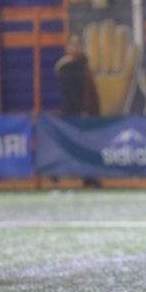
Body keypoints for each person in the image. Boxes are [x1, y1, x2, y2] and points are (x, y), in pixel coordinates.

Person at [55, 34, 102, 188]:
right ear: (67, 47)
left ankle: (88, 177)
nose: (77, 47)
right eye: (73, 44)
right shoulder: (68, 66)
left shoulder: (82, 65)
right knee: (77, 146)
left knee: (84, 146)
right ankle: (56, 170)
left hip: (85, 113)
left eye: (79, 44)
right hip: (76, 114)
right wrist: (80, 112)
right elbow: (72, 94)